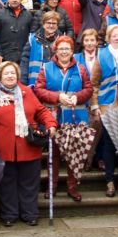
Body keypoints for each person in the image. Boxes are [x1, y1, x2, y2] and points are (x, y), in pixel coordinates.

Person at [0, 61, 56, 226]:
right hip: (2, 148)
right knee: (6, 185)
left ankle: (30, 213)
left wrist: (51, 124)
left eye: (13, 73)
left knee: (29, 184)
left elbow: (41, 111)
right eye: (6, 73)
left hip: (28, 146)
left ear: (18, 75)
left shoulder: (27, 92)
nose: (10, 76)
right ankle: (9, 215)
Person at [34, 36, 93, 201]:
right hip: (54, 117)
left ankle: (72, 187)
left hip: (75, 118)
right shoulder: (46, 68)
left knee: (74, 153)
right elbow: (38, 90)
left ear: (72, 51)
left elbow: (89, 89)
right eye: (61, 49)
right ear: (56, 51)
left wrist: (77, 96)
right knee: (54, 154)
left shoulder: (80, 69)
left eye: (67, 48)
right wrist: (57, 96)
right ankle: (51, 187)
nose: (64, 51)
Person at [0, 0, 33, 64]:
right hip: (4, 56)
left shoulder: (28, 15)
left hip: (23, 57)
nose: (14, 0)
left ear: (21, 0)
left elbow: (31, 37)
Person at [20, 11, 60, 86]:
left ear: (57, 25)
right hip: (36, 83)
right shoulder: (32, 40)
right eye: (48, 23)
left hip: (55, 84)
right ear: (43, 24)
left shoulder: (62, 40)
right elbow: (25, 62)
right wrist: (23, 85)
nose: (51, 26)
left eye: (54, 23)